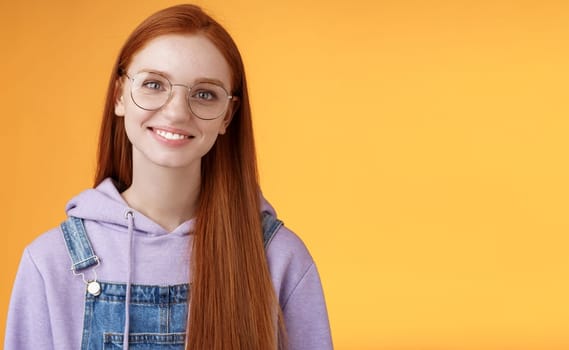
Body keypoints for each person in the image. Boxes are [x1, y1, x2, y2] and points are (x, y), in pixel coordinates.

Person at [4, 4, 332, 350]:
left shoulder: (278, 259)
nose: (176, 111)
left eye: (204, 94)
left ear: (227, 116)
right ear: (119, 96)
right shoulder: (52, 262)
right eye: (154, 84)